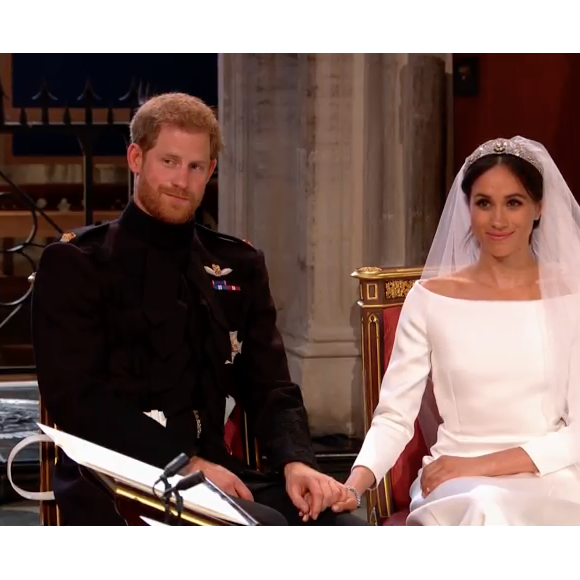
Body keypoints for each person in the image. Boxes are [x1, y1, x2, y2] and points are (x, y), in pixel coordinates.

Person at [31, 92, 367, 527]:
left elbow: (271, 386)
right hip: (117, 477)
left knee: (344, 525)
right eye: (168, 162)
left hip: (220, 474)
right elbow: (77, 401)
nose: (181, 180)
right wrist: (184, 462)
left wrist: (296, 462)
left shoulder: (237, 264)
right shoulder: (78, 264)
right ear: (136, 158)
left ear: (210, 171)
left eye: (195, 167)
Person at [331, 136, 580, 525]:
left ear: (539, 207)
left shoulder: (573, 295)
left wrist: (481, 464)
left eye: (513, 202)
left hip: (551, 478)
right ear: (468, 208)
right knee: (484, 506)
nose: (498, 220)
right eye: (484, 203)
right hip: (456, 485)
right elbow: (395, 415)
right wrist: (353, 486)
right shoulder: (430, 299)